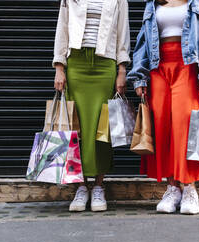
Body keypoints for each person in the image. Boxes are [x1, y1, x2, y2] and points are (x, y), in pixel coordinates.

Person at [127, 0, 199, 214]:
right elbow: (144, 41)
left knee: (186, 128)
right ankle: (172, 188)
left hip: (188, 68)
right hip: (158, 69)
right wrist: (139, 77)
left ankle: (190, 188)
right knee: (162, 127)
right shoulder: (153, 3)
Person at [52, 0, 131, 212]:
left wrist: (121, 70)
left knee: (101, 128)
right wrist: (59, 67)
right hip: (76, 64)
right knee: (76, 128)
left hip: (105, 65)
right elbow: (63, 27)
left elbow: (123, 32)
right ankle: (80, 187)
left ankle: (98, 186)